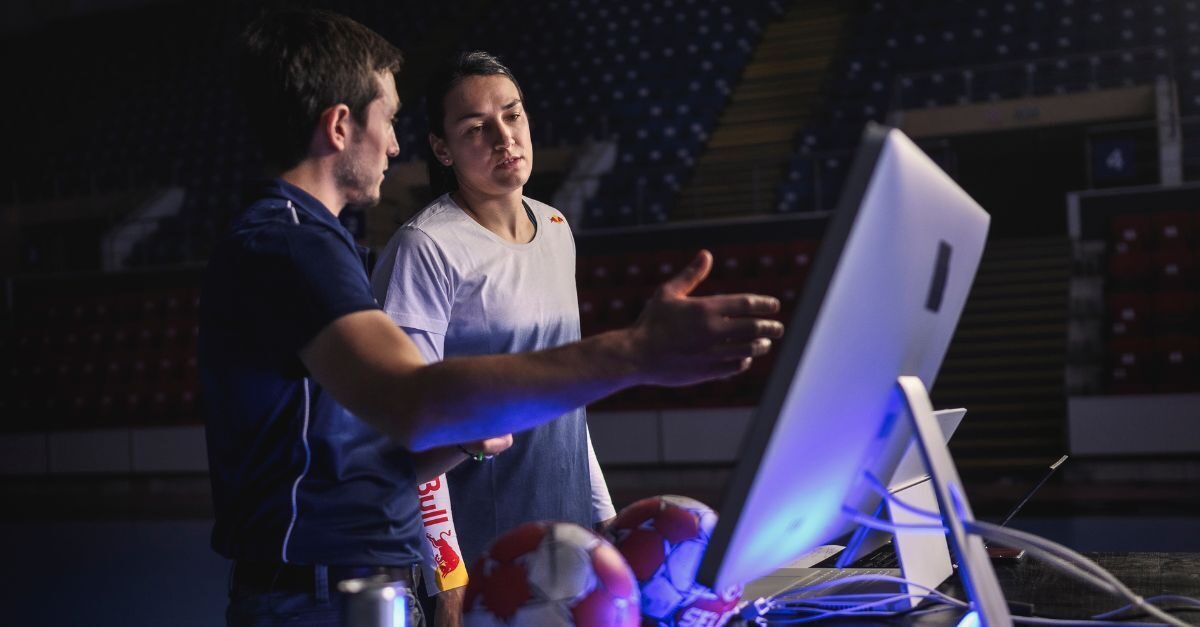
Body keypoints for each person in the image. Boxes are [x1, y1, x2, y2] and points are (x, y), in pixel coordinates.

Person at [200, 8, 784, 627]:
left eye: (512, 114)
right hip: (317, 592)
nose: (395, 144)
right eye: (389, 119)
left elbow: (373, 447)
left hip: (362, 578)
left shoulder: (319, 240)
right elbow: (415, 403)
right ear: (341, 125)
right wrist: (634, 352)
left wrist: (468, 438)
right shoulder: (294, 243)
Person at [370, 51, 614, 624]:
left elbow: (567, 399)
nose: (504, 136)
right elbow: (413, 425)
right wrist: (447, 580)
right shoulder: (426, 249)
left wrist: (602, 514)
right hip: (483, 561)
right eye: (476, 127)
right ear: (442, 149)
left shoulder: (557, 229)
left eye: (513, 115)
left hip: (566, 545)